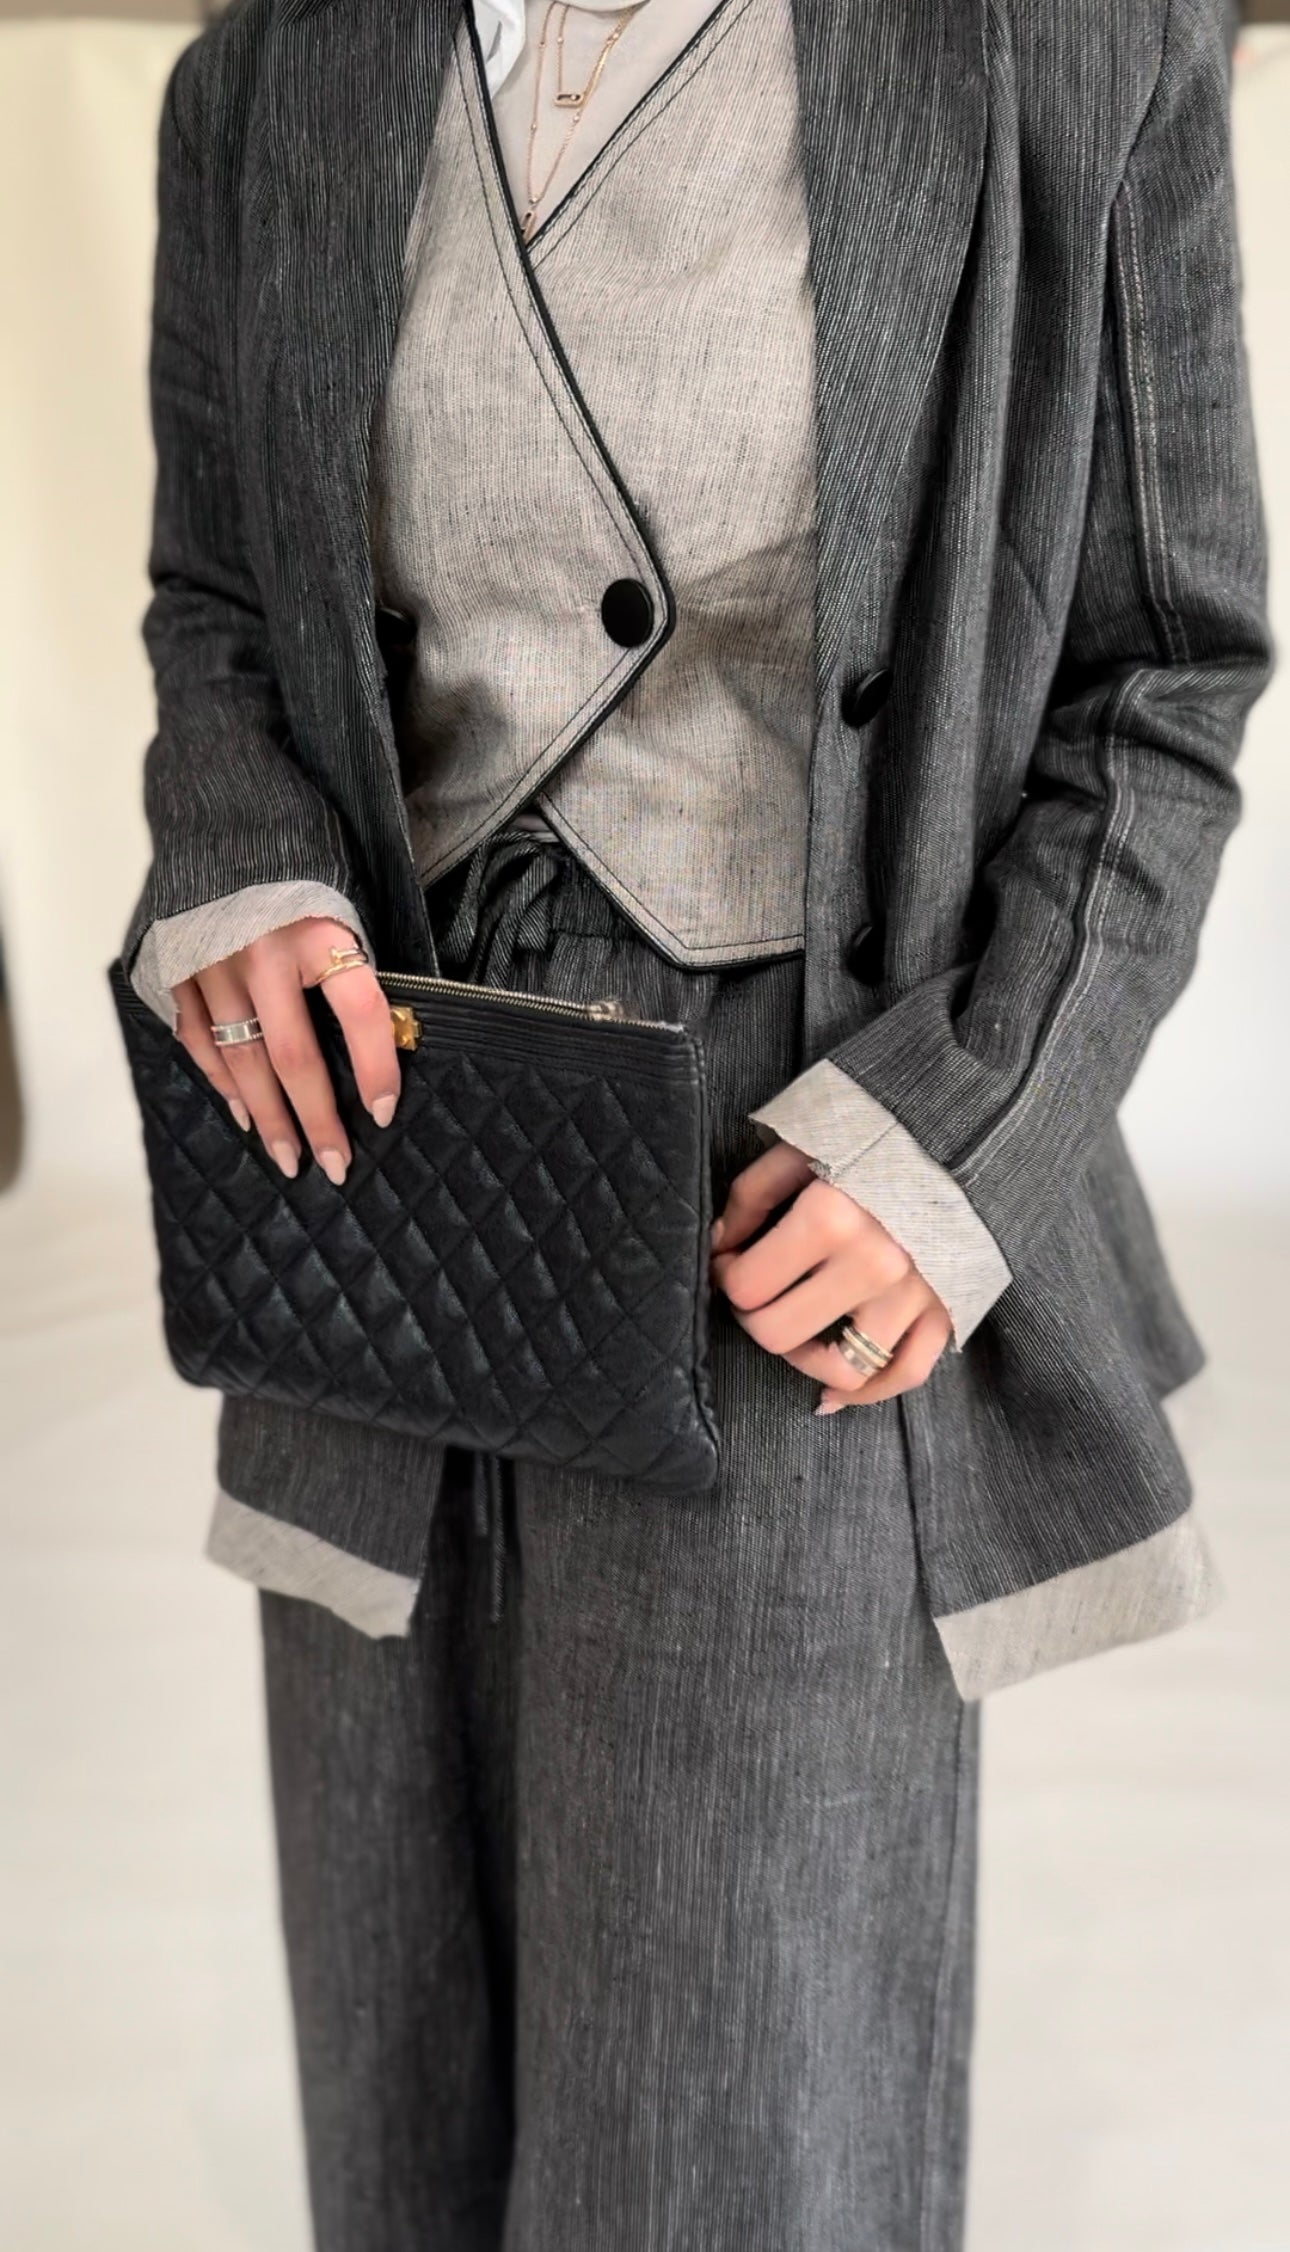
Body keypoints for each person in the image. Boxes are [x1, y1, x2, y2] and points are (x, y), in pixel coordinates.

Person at [118, 0, 1271, 2243]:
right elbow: (222, 600)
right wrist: (242, 856)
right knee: (400, 2032)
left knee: (736, 2084)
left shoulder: (1069, 50)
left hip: (793, 1170)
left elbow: (1162, 678)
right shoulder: (264, 76)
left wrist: (971, 1127)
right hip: (378, 1148)